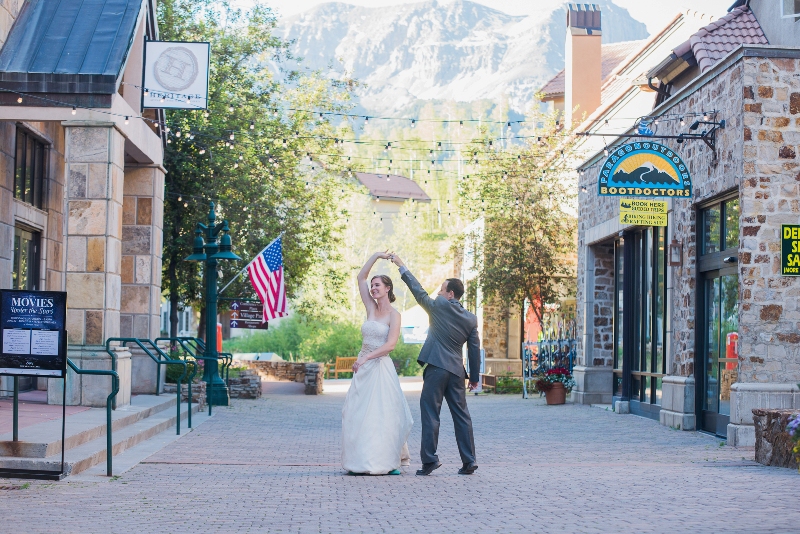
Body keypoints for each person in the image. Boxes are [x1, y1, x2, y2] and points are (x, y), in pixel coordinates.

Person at [389, 253, 481, 476]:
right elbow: (475, 349)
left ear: (450, 294)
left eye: (441, 290)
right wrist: (475, 378)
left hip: (437, 368)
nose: (438, 293)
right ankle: (469, 461)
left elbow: (418, 291)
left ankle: (430, 460)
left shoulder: (440, 305)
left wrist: (402, 266)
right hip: (457, 372)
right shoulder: (470, 318)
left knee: (431, 413)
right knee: (462, 416)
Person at [341, 251, 413, 475]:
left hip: (380, 367)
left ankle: (387, 461)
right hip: (363, 369)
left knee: (383, 416)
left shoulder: (394, 315)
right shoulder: (370, 308)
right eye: (373, 285)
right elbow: (360, 278)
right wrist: (377, 256)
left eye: (378, 285)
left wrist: (365, 358)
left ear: (387, 288)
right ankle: (360, 461)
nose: (373, 288)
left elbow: (390, 345)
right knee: (358, 414)